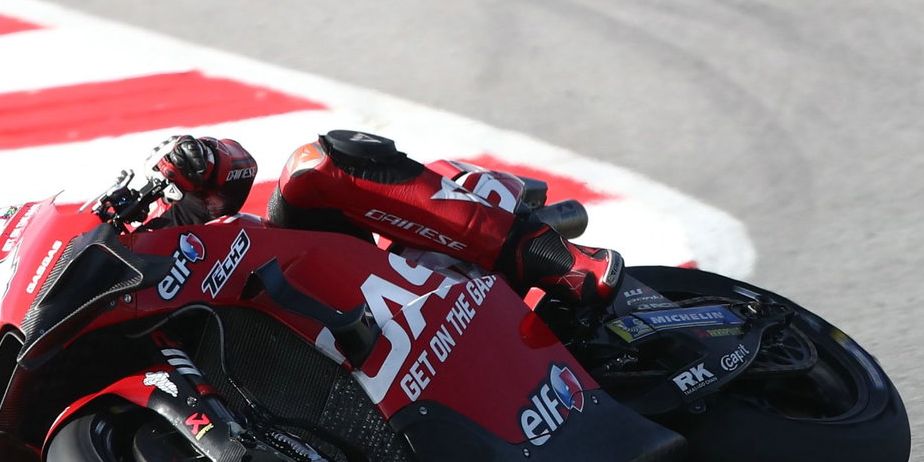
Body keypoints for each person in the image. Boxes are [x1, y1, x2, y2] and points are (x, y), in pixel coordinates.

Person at [147, 129, 623, 306]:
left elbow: (234, 169)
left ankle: (551, 259)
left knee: (311, 166)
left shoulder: (133, 235)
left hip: (337, 292)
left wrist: (194, 162)